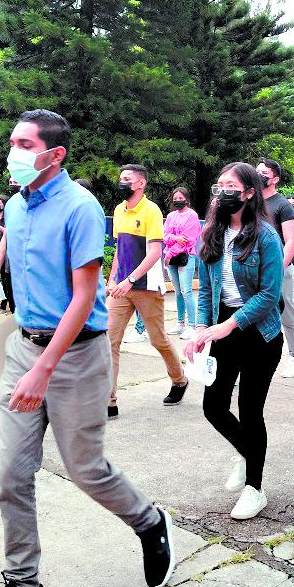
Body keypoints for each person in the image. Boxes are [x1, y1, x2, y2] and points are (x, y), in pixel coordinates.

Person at [0, 110, 175, 587]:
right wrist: (24, 358)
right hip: (23, 349)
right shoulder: (15, 206)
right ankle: (22, 584)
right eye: (13, 142)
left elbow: (82, 297)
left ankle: (149, 521)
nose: (14, 152)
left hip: (75, 357)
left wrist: (43, 370)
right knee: (11, 474)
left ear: (55, 155)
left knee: (85, 470)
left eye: (25, 145)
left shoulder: (82, 207)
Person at [184, 162, 285, 520]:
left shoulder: (266, 238)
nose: (221, 191)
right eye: (219, 184)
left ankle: (255, 489)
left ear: (249, 193)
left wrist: (226, 326)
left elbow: (270, 295)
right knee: (213, 407)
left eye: (230, 185)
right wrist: (200, 329)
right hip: (224, 331)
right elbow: (207, 289)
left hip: (260, 334)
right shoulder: (212, 233)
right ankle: (248, 453)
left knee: (250, 410)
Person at [107, 164, 188, 417]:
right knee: (108, 341)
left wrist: (130, 279)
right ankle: (108, 401)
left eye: (127, 179)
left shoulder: (151, 210)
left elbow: (155, 252)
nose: (122, 182)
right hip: (122, 287)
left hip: (146, 286)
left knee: (158, 339)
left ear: (140, 184)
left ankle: (179, 380)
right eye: (121, 178)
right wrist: (112, 280)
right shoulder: (119, 210)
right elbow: (120, 249)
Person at [256, 158, 294, 378]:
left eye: (264, 172)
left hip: (278, 269)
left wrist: (277, 269)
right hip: (252, 268)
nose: (259, 175)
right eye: (257, 171)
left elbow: (291, 242)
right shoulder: (249, 201)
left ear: (275, 179)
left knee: (286, 313)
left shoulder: (283, 205)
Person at [163, 186, 201, 340]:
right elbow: (164, 235)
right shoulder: (171, 216)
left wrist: (170, 251)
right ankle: (180, 324)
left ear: (187, 199)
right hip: (170, 259)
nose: (178, 201)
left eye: (181, 198)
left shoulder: (192, 216)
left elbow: (188, 240)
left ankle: (192, 325)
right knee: (178, 292)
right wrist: (174, 238)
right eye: (175, 198)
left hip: (185, 257)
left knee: (187, 291)